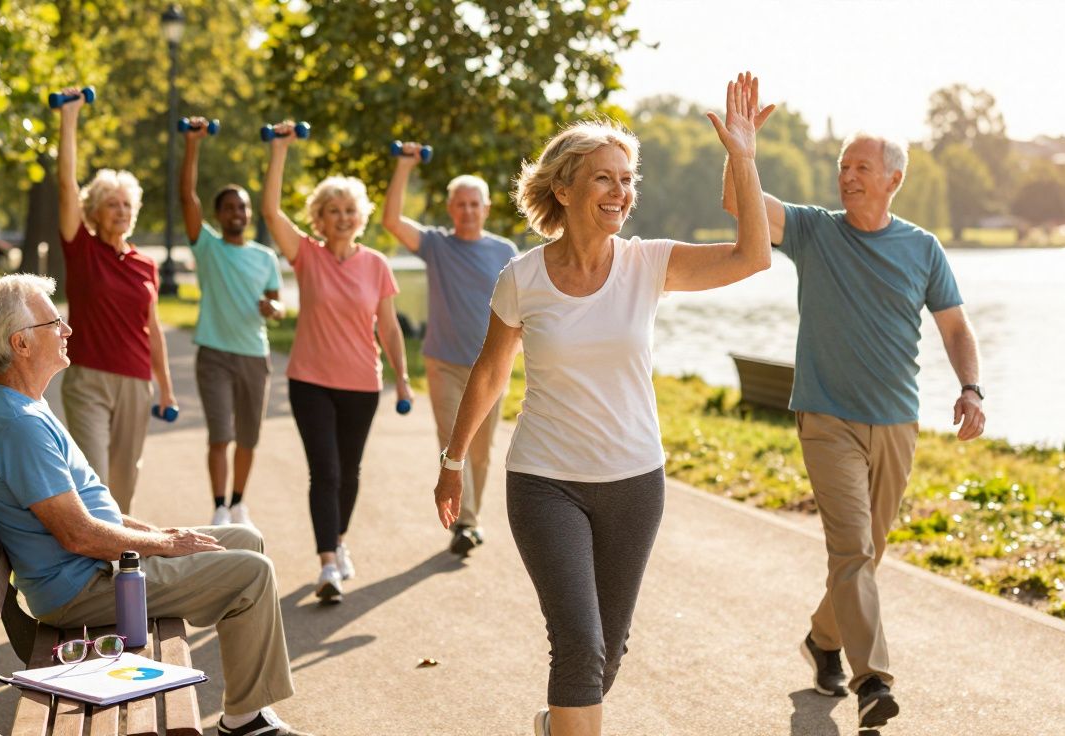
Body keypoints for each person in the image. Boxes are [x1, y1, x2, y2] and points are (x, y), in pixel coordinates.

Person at [433, 73, 773, 736]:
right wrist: (453, 460)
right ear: (563, 189)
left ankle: (553, 723)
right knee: (579, 646)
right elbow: (490, 373)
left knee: (605, 656)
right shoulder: (522, 278)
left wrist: (743, 158)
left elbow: (754, 256)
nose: (621, 192)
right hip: (545, 483)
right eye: (604, 179)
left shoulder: (649, 264)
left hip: (634, 484)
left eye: (626, 179)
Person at [0, 274, 310, 736]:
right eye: (54, 322)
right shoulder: (18, 425)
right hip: (81, 589)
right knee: (252, 573)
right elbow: (78, 534)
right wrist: (162, 545)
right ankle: (246, 722)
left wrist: (158, 535)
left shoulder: (25, 406)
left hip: (99, 568)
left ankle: (249, 710)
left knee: (246, 538)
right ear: (21, 344)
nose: (67, 329)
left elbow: (87, 511)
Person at [721, 128, 986, 729]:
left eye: (861, 167)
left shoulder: (922, 248)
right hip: (827, 418)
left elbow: (954, 327)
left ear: (894, 179)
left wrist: (971, 388)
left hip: (897, 422)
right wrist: (741, 153)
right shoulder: (814, 231)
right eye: (843, 166)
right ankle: (872, 681)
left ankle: (822, 640)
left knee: (868, 554)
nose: (847, 176)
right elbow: (739, 203)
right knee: (853, 549)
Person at [261, 121, 413, 604]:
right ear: (319, 219)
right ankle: (328, 563)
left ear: (360, 217)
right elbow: (270, 211)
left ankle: (339, 541)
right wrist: (280, 150)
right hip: (310, 381)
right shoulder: (306, 255)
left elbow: (389, 327)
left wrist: (403, 379)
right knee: (324, 471)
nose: (343, 217)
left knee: (349, 472)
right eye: (333, 211)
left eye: (350, 210)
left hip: (362, 384)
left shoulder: (376, 264)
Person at [383, 144, 518, 556]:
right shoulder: (436, 245)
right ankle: (466, 524)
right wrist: (404, 165)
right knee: (452, 442)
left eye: (475, 204)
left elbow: (520, 311)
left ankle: (469, 518)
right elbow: (391, 220)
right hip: (443, 363)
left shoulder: (505, 252)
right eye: (460, 204)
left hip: (490, 367)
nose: (468, 210)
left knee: (481, 451)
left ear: (486, 208)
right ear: (450, 208)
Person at [54, 86, 177, 514]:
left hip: (136, 382)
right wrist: (70, 118)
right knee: (95, 480)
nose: (121, 211)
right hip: (88, 380)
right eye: (111, 204)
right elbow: (66, 185)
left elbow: (152, 328)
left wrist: (166, 389)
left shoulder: (145, 264)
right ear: (93, 211)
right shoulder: (82, 248)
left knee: (124, 484)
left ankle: (119, 552)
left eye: (126, 204)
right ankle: (91, 551)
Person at [179, 116, 285, 528]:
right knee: (220, 434)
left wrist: (273, 309)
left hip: (254, 356)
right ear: (219, 215)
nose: (236, 212)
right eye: (229, 207)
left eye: (242, 206)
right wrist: (193, 144)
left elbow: (278, 304)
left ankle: (239, 503)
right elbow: (187, 197)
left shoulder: (265, 257)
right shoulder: (208, 247)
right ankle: (219, 507)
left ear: (248, 213)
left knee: (248, 437)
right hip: (214, 354)